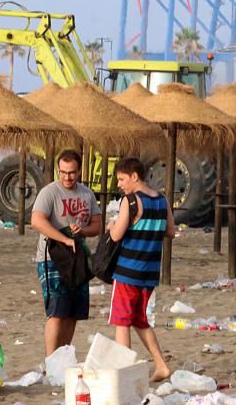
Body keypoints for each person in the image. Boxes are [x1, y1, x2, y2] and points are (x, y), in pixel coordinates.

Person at [107, 158, 173, 382]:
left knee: (121, 321)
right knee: (139, 319)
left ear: (134, 176)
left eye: (121, 179)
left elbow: (116, 235)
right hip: (150, 272)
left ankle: (124, 372)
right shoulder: (162, 200)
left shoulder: (131, 200)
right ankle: (161, 364)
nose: (120, 184)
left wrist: (112, 225)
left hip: (128, 270)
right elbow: (170, 230)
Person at [30, 150, 101, 356]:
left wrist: (83, 230)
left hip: (78, 259)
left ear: (79, 171)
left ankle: (62, 356)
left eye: (71, 173)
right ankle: (51, 360)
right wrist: (64, 238)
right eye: (62, 172)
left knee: (73, 313)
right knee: (57, 312)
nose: (66, 177)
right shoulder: (49, 192)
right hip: (52, 258)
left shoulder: (87, 194)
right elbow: (37, 221)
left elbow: (97, 225)